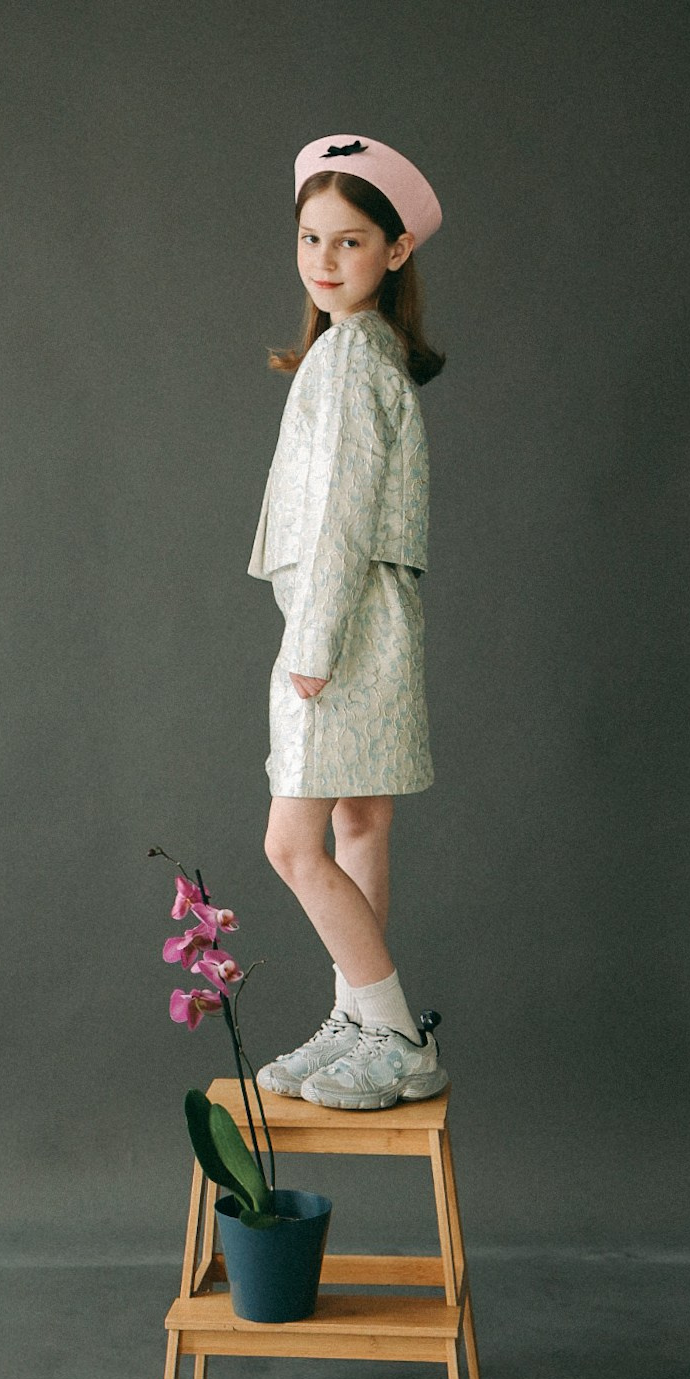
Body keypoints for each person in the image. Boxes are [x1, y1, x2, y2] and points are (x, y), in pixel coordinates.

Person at [249, 134, 447, 1111]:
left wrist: (313, 643)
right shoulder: (359, 354)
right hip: (375, 620)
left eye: (350, 241)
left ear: (395, 251)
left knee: (292, 845)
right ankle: (358, 1020)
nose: (323, 260)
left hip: (344, 626)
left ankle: (395, 1035)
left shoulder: (347, 362)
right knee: (357, 824)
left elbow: (339, 515)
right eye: (309, 238)